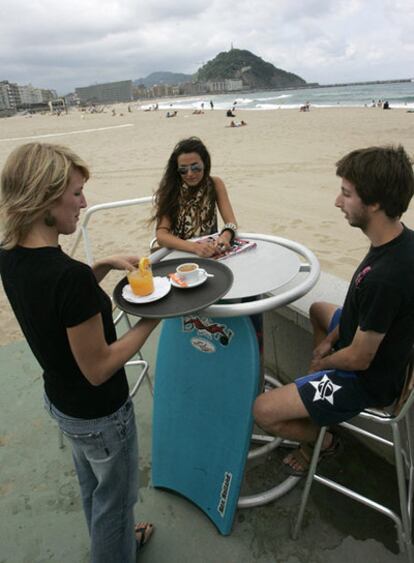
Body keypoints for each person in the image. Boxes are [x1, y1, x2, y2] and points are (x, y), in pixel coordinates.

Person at [0, 142, 159, 562]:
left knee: (95, 489)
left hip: (63, 404)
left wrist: (101, 266)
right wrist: (154, 316)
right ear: (44, 196)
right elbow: (99, 367)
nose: (84, 203)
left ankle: (115, 542)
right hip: (101, 414)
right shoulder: (69, 279)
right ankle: (115, 547)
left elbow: (54, 299)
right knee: (116, 505)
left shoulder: (11, 256)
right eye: (76, 193)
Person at [253, 145, 414, 476]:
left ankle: (322, 443)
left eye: (346, 194)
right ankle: (318, 394)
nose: (337, 202)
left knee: (263, 411)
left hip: (368, 379)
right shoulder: (398, 242)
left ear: (375, 203)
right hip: (372, 343)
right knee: (318, 310)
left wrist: (324, 362)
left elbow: (359, 358)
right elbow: (362, 313)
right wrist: (328, 341)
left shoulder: (385, 279)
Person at [152, 136, 238, 257]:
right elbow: (161, 236)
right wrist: (195, 247)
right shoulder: (170, 190)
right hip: (179, 252)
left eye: (195, 168)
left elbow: (231, 222)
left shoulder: (215, 184)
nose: (190, 174)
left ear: (205, 164)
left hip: (211, 252)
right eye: (183, 170)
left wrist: (225, 235)